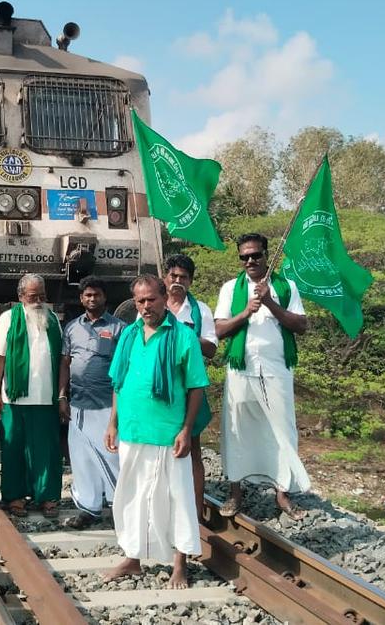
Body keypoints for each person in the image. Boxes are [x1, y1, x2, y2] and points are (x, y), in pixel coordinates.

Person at [103, 275, 207, 589]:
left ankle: (180, 563)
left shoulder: (182, 337)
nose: (146, 306)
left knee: (176, 497)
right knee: (133, 496)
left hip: (167, 432)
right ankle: (133, 558)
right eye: (140, 301)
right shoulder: (130, 335)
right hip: (133, 430)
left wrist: (186, 430)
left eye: (151, 299)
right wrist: (112, 422)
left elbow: (196, 387)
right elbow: (118, 383)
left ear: (164, 297)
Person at [214, 232, 310, 518]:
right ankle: (235, 494)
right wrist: (245, 312)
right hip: (241, 369)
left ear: (266, 255)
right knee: (236, 429)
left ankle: (283, 494)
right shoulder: (231, 288)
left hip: (277, 368)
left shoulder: (286, 286)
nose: (250, 261)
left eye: (255, 255)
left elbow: (301, 325)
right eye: (244, 257)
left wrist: (269, 302)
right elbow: (219, 330)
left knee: (283, 429)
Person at [0, 274, 64, 518]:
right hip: (14, 399)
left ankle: (47, 497)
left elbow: (63, 360)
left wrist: (62, 395)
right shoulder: (8, 318)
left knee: (47, 450)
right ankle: (15, 497)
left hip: (46, 398)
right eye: (33, 296)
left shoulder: (52, 319)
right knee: (14, 449)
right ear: (21, 297)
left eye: (42, 295)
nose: (39, 300)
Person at [58, 275, 123, 529]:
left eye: (96, 294)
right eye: (87, 295)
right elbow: (65, 363)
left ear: (104, 297)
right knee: (82, 458)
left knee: (112, 457)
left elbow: (124, 368)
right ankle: (89, 508)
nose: (92, 298)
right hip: (78, 404)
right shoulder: (72, 327)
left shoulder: (120, 328)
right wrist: (62, 396)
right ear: (81, 298)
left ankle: (121, 508)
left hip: (108, 404)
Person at [163, 253, 219, 519]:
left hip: (188, 389)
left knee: (192, 449)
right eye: (173, 276)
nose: (177, 281)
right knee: (160, 450)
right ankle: (164, 511)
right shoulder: (153, 305)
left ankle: (195, 516)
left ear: (190, 281)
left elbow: (212, 349)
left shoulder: (201, 311)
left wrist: (187, 336)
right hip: (159, 391)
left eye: (183, 277)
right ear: (165, 277)